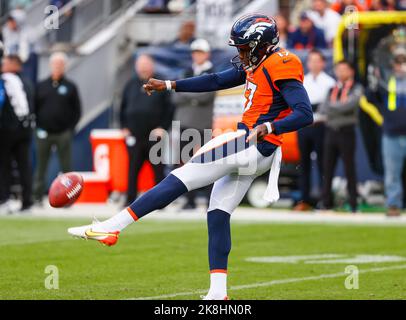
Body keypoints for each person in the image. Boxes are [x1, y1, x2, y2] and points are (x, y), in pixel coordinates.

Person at [68, 14, 313, 300]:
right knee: (218, 214)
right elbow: (215, 80)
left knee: (179, 177)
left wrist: (270, 126)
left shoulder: (282, 63)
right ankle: (218, 293)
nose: (240, 54)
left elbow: (304, 113)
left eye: (244, 48)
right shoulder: (257, 63)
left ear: (261, 46)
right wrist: (170, 85)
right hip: (256, 152)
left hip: (252, 144)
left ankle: (111, 227)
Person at [120, 54, 173, 206]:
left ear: (152, 66)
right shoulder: (130, 84)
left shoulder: (159, 83)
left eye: (146, 65)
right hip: (135, 135)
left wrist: (163, 127)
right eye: (140, 65)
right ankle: (129, 200)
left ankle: (161, 201)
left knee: (158, 170)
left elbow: (169, 108)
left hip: (154, 135)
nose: (143, 68)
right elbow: (123, 107)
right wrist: (124, 127)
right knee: (132, 169)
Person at [172, 38, 216, 210]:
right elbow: (175, 96)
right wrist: (194, 95)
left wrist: (187, 93)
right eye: (195, 52)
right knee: (185, 164)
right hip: (185, 123)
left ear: (207, 54)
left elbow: (207, 96)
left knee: (207, 163)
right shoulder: (186, 72)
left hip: (202, 124)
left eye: (200, 52)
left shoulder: (211, 73)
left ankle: (209, 200)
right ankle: (189, 200)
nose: (197, 56)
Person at [33, 52, 81, 204]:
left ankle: (69, 198)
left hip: (63, 133)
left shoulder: (70, 86)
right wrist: (38, 127)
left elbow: (77, 110)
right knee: (41, 166)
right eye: (55, 64)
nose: (58, 67)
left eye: (60, 64)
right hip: (44, 133)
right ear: (50, 65)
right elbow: (34, 108)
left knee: (67, 167)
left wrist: (70, 129)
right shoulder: (41, 86)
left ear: (65, 66)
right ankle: (37, 196)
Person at [294, 49, 335, 211]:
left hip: (320, 126)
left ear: (323, 63)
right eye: (311, 60)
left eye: (317, 60)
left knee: (323, 164)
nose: (314, 64)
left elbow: (327, 108)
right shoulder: (303, 81)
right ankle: (305, 200)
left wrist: (312, 109)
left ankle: (325, 200)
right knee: (303, 164)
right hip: (304, 127)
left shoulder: (329, 82)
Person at [319, 60, 363, 213]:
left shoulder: (356, 88)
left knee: (349, 168)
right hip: (331, 131)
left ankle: (353, 203)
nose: (341, 72)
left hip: (346, 131)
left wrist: (333, 107)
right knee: (327, 167)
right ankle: (326, 202)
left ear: (351, 71)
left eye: (345, 69)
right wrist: (336, 108)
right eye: (339, 69)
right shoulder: (332, 89)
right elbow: (323, 108)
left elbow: (349, 106)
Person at [0, 54, 34, 213]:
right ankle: (27, 201)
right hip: (25, 129)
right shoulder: (27, 81)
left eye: (5, 63)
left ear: (15, 64)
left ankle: (4, 200)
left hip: (8, 130)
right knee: (24, 166)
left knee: (4, 166)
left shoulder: (7, 79)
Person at [378, 47, 406, 216]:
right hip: (392, 133)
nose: (401, 65)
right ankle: (393, 205)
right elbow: (373, 96)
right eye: (398, 62)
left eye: (404, 61)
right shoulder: (386, 81)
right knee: (392, 173)